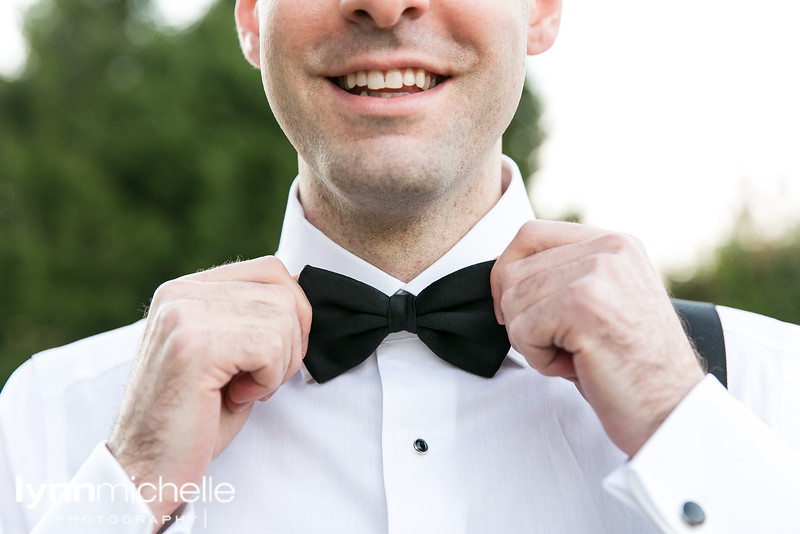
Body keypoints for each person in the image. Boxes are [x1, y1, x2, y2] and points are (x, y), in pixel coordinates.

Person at [1, 0, 799, 532]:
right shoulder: (54, 416)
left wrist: (682, 424)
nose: (384, 4)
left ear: (544, 8)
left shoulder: (773, 388)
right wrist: (123, 493)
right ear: (250, 16)